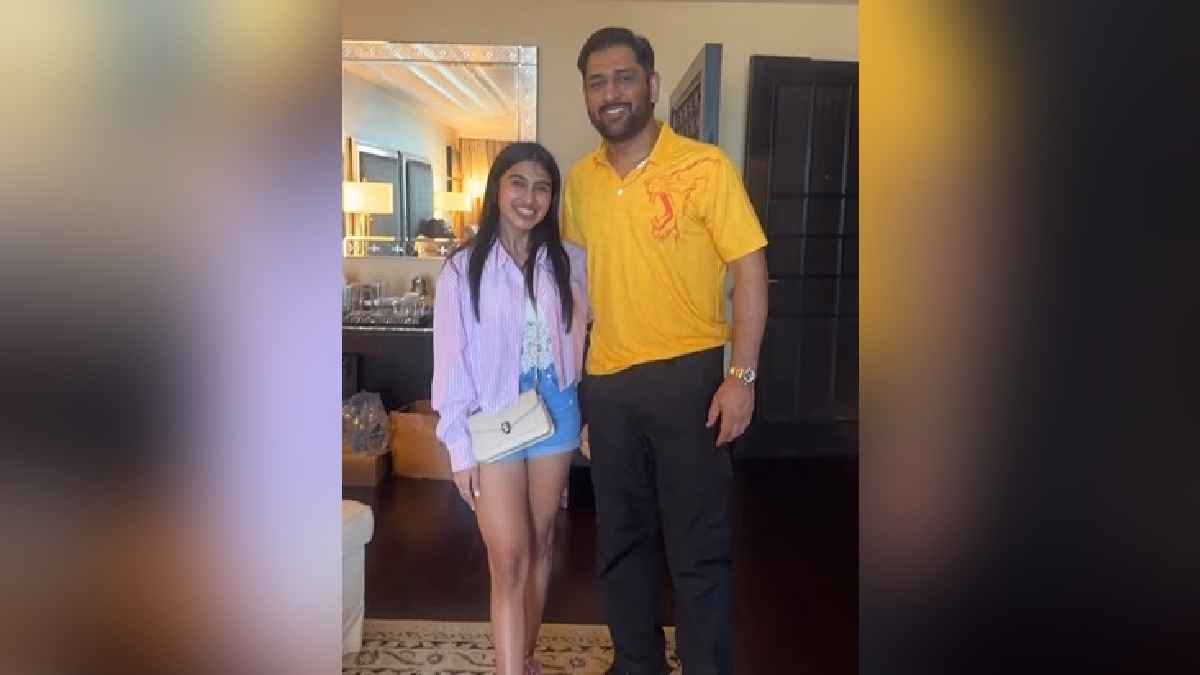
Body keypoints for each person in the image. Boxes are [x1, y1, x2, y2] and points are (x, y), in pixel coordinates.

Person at [561, 27, 769, 675]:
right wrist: (578, 394)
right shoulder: (580, 182)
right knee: (622, 543)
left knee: (696, 547)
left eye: (624, 78)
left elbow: (751, 272)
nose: (611, 93)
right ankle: (637, 664)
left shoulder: (706, 166)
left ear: (651, 85)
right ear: (586, 95)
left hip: (689, 382)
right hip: (608, 385)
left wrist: (742, 376)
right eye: (597, 82)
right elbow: (579, 291)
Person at [431, 142, 589, 675]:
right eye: (518, 182)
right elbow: (450, 363)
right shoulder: (461, 270)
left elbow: (590, 338)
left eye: (542, 187)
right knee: (508, 557)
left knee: (541, 544)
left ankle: (523, 657)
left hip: (557, 409)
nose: (529, 197)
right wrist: (458, 449)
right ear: (497, 189)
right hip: (493, 417)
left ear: (552, 198)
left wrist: (591, 410)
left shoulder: (571, 261)